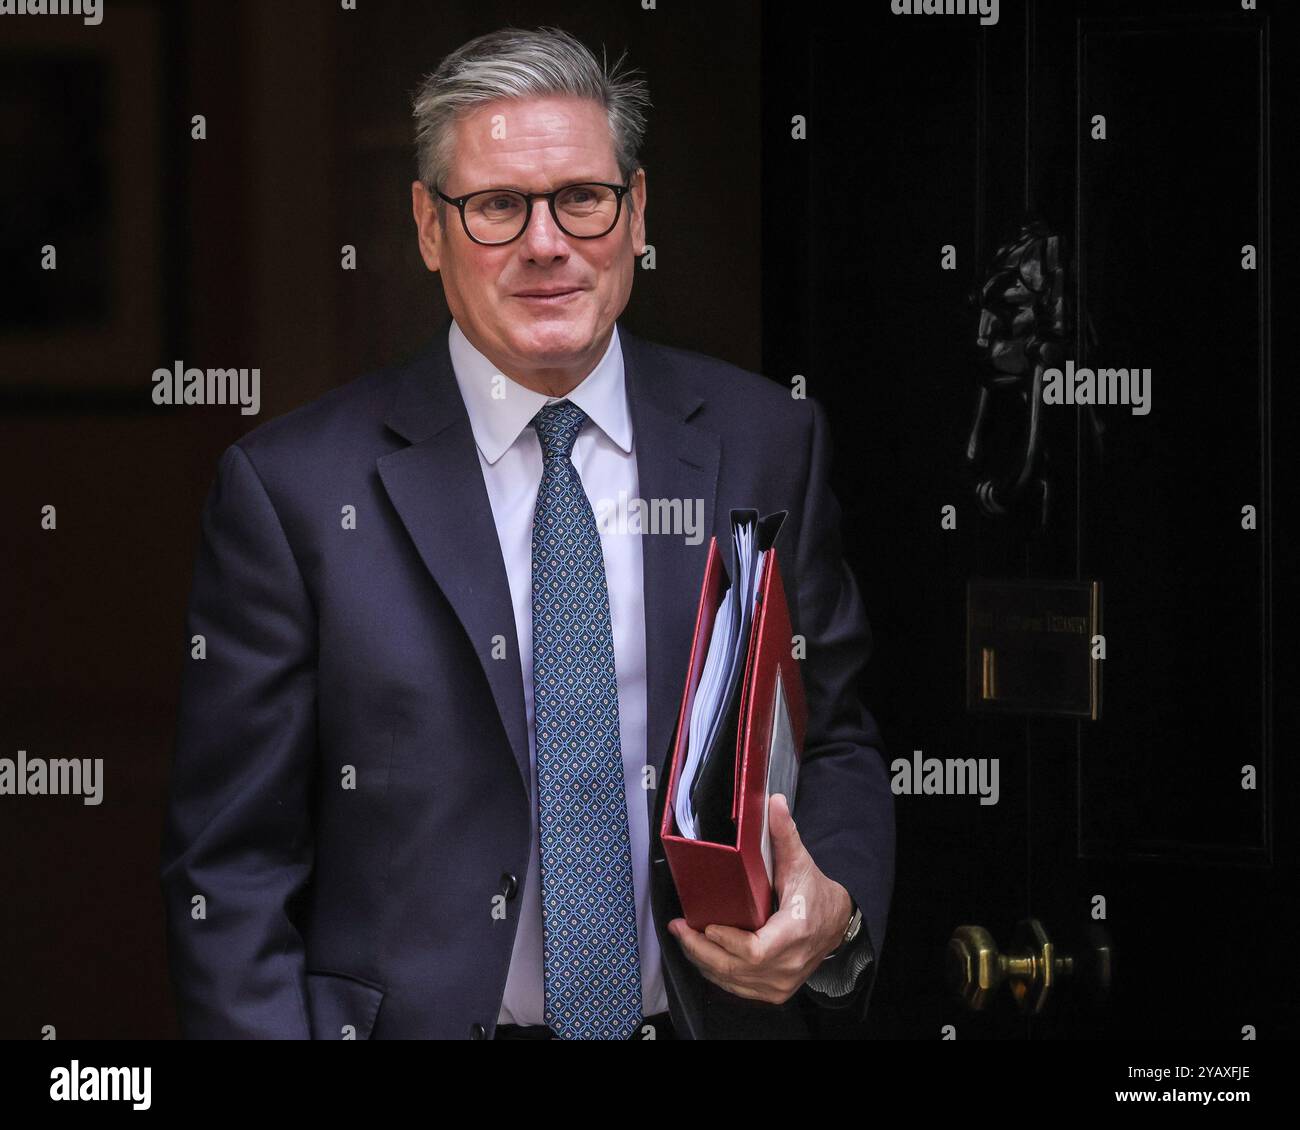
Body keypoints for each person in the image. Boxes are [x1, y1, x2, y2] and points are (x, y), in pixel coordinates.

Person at [160, 25, 894, 1040]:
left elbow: (837, 735)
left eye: (581, 199)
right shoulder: (291, 490)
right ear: (428, 226)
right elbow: (230, 863)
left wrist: (834, 904)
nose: (546, 242)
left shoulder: (765, 440)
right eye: (497, 205)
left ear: (636, 212)